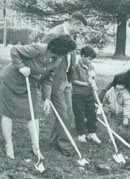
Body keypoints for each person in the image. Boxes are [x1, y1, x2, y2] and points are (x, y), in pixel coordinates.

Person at [0, 35, 76, 159]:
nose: (67, 54)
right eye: (67, 51)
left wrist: (47, 98)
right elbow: (15, 50)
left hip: (30, 84)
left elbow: (48, 78)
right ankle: (9, 145)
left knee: (33, 115)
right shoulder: (40, 49)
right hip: (12, 81)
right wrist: (21, 66)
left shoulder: (57, 59)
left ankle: (36, 147)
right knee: (7, 113)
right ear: (61, 49)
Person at [42, 11, 87, 156]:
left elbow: (70, 56)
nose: (80, 32)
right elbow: (44, 57)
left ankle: (54, 140)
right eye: (80, 28)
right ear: (75, 24)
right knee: (63, 113)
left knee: (68, 112)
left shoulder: (71, 34)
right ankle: (65, 145)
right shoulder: (54, 34)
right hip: (54, 80)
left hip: (66, 79)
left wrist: (70, 76)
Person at [72, 46, 101, 144]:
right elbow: (73, 80)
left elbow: (92, 78)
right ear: (83, 56)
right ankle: (81, 133)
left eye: (92, 60)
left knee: (92, 113)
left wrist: (93, 84)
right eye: (89, 59)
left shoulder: (91, 66)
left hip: (89, 94)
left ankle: (92, 132)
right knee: (79, 115)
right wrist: (86, 84)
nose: (90, 61)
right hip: (78, 95)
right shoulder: (76, 66)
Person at [102, 74, 130, 148]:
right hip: (114, 115)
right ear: (115, 84)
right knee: (112, 129)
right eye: (119, 84)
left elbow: (127, 106)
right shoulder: (109, 92)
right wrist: (105, 109)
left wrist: (126, 118)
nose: (121, 87)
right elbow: (105, 102)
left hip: (124, 115)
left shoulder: (125, 94)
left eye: (122, 85)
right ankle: (112, 138)